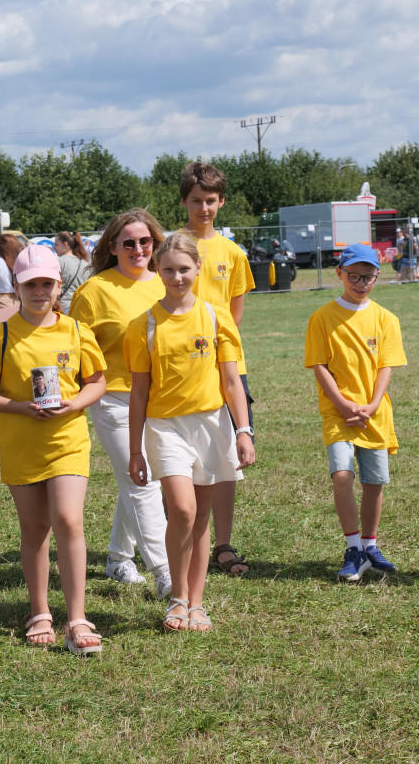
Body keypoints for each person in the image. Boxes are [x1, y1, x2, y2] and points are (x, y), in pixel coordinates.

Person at [0, 245, 108, 655]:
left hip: (68, 440)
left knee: (68, 519)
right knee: (34, 529)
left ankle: (77, 617)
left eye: (46, 283)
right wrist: (19, 407)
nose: (39, 290)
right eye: (30, 284)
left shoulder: (77, 331)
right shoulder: (1, 335)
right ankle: (39, 611)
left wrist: (76, 403)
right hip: (21, 443)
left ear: (58, 285)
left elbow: (97, 381)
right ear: (16, 286)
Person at [125, 232, 255, 632]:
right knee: (182, 509)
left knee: (201, 520)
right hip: (165, 428)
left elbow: (232, 382)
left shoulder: (217, 318)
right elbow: (140, 392)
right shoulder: (142, 324)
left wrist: (243, 431)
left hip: (213, 425)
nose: (177, 277)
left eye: (184, 269)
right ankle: (176, 597)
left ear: (198, 268)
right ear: (156, 270)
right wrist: (135, 451)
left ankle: (195, 604)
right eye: (168, 270)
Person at [69, 209, 171, 599]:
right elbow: (73, 346)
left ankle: (116, 558)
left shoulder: (166, 282)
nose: (138, 248)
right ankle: (166, 571)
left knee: (142, 476)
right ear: (111, 248)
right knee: (142, 480)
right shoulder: (93, 292)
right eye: (128, 242)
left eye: (145, 241)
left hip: (162, 398)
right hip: (113, 396)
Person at [304, 244, 407, 582]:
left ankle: (370, 546)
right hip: (338, 414)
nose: (361, 282)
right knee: (342, 476)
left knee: (374, 483)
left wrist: (373, 404)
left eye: (368, 276)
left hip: (374, 414)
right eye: (354, 275)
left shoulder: (386, 318)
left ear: (377, 276)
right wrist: (343, 403)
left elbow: (386, 367)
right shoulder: (322, 317)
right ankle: (352, 548)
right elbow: (319, 365)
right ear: (340, 274)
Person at [179, 160, 256, 577]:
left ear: (221, 201)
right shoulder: (170, 247)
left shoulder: (233, 253)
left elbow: (235, 317)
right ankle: (187, 540)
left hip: (226, 366)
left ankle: (223, 545)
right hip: (180, 368)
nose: (203, 208)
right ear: (184, 201)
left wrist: (219, 355)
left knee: (225, 456)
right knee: (181, 457)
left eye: (210, 201)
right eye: (196, 201)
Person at [53, 231, 91, 314]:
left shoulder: (59, 262)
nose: (54, 248)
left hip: (63, 307)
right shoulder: (84, 263)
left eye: (56, 244)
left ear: (65, 245)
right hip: (81, 308)